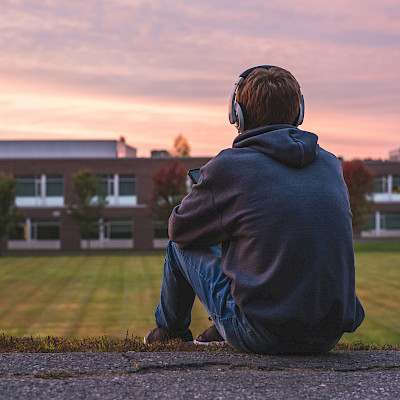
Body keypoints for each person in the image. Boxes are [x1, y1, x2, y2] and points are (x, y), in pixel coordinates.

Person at [144, 65, 365, 354]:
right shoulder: (330, 164)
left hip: (261, 333)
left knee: (179, 246)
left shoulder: (230, 166)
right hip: (327, 336)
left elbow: (180, 228)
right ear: (299, 112)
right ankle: (222, 327)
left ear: (238, 114)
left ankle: (170, 332)